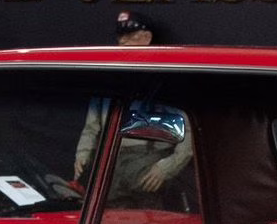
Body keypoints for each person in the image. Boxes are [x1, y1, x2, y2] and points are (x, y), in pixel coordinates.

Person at [73, 11, 194, 195]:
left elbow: (189, 131)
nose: (123, 43)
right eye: (121, 38)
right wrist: (82, 155)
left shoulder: (163, 82)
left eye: (131, 37)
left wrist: (166, 167)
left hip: (147, 162)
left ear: (147, 38)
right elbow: (92, 127)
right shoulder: (108, 81)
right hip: (109, 162)